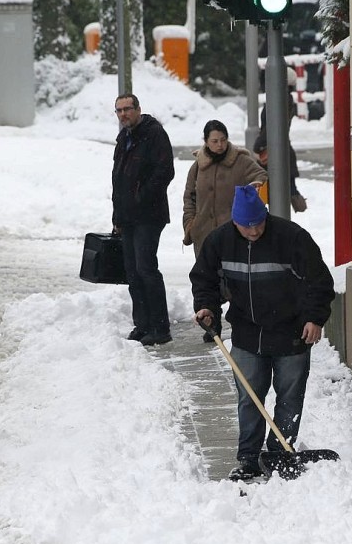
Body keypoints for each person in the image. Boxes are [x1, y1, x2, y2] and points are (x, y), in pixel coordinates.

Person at [190, 186, 335, 480]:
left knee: (290, 397)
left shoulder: (292, 238)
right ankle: (249, 458)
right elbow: (205, 280)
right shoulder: (219, 242)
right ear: (235, 221)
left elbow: (318, 282)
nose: (254, 231)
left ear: (265, 216)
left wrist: (314, 319)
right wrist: (207, 308)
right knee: (249, 396)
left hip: (292, 333)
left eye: (259, 223)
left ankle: (280, 452)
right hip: (247, 333)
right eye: (247, 225)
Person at [183, 120, 268, 342]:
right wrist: (190, 224)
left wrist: (252, 192)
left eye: (223, 140)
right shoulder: (198, 165)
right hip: (203, 233)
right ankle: (213, 323)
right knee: (207, 278)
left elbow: (261, 177)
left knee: (233, 278)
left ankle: (243, 322)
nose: (219, 145)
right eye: (214, 141)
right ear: (206, 142)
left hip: (233, 230)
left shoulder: (240, 160)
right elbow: (189, 197)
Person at [112, 93, 175, 346]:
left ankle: (160, 328)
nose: (124, 114)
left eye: (128, 109)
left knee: (146, 269)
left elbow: (165, 171)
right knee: (132, 272)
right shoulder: (124, 137)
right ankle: (143, 324)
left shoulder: (154, 133)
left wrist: (141, 197)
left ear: (138, 109)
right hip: (127, 216)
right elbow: (118, 179)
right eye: (119, 110)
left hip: (149, 215)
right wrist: (117, 214)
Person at [255, 67, 307, 212]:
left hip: (274, 151)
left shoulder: (279, 99)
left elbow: (273, 125)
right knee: (284, 188)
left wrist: (259, 144)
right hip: (281, 149)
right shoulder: (285, 98)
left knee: (270, 190)